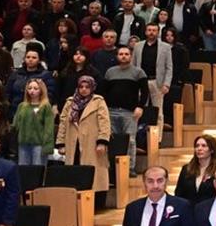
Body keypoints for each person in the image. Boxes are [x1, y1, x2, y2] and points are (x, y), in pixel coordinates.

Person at [54, 76, 112, 195]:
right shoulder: (70, 102)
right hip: (73, 142)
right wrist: (61, 142)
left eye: (87, 87)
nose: (84, 89)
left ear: (92, 88)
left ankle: (95, 200)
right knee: (74, 173)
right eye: (81, 87)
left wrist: (102, 141)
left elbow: (104, 122)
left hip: (92, 143)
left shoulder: (98, 101)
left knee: (94, 175)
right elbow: (63, 122)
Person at [102, 45, 149, 174]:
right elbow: (104, 92)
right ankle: (113, 169)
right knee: (112, 140)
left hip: (130, 112)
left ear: (131, 56)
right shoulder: (110, 72)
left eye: (126, 54)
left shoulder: (138, 72)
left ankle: (130, 168)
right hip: (111, 111)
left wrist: (140, 107)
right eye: (121, 54)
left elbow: (145, 92)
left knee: (130, 141)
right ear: (117, 56)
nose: (123, 56)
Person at [131, 23, 172, 132]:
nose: (151, 32)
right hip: (141, 82)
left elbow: (169, 68)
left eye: (154, 30)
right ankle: (139, 135)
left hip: (157, 82)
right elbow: (133, 65)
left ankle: (157, 138)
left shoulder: (165, 47)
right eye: (149, 30)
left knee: (158, 111)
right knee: (139, 109)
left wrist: (166, 84)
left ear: (158, 32)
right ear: (145, 32)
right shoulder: (138, 46)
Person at [13, 78, 55, 165]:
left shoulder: (45, 106)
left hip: (39, 144)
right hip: (23, 143)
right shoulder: (22, 106)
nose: (32, 91)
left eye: (36, 89)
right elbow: (16, 124)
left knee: (38, 169)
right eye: (29, 88)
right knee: (23, 169)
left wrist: (47, 146)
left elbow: (49, 128)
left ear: (41, 90)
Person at [175, 134, 216, 205]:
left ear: (212, 150)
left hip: (208, 209)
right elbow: (178, 194)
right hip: (188, 209)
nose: (199, 148)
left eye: (204, 146)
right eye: (197, 146)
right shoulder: (186, 169)